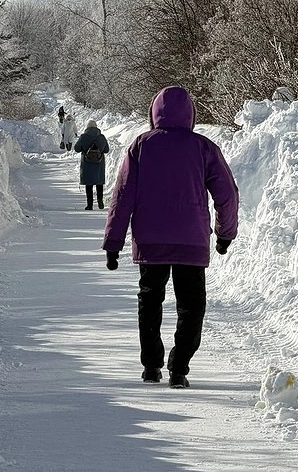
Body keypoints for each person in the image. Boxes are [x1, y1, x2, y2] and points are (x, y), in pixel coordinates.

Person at [101, 86, 239, 389]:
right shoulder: (204, 148)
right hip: (191, 240)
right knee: (191, 305)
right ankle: (179, 369)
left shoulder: (141, 146)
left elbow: (122, 196)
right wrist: (224, 233)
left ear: (154, 113)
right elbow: (227, 194)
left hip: (151, 241)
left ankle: (151, 366)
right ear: (191, 114)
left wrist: (114, 243)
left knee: (150, 299)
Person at [72, 119, 110, 210]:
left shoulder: (83, 137)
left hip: (87, 164)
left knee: (89, 185)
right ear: (96, 127)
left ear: (87, 127)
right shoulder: (101, 137)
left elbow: (77, 148)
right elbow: (107, 150)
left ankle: (90, 205)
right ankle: (100, 202)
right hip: (99, 164)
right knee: (99, 183)